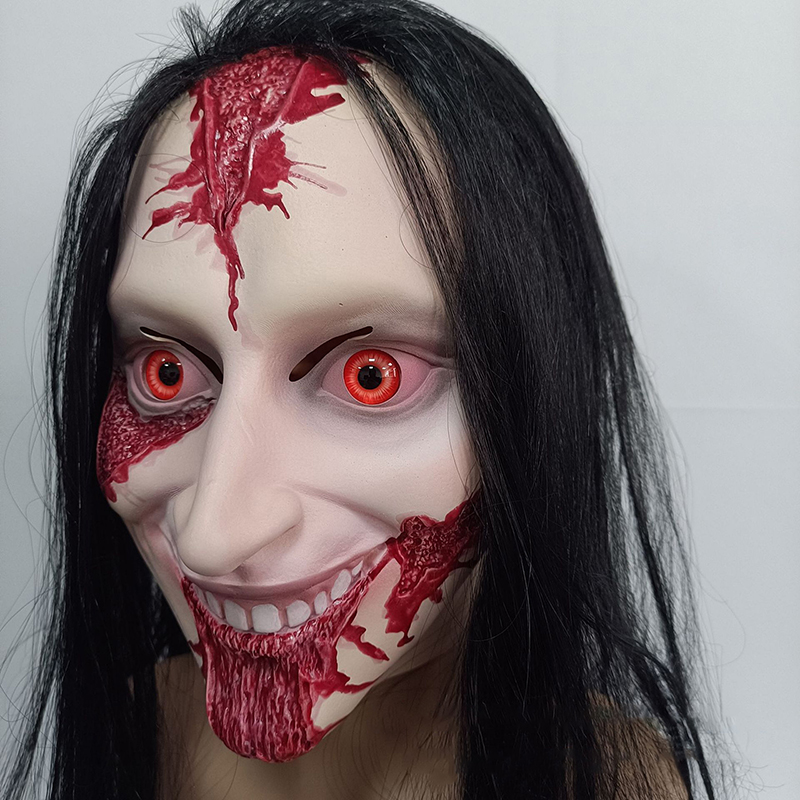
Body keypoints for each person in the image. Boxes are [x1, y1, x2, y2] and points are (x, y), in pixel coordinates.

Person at [1, 0, 727, 798]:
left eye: (369, 375)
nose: (212, 536)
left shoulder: (607, 781)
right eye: (166, 372)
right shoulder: (139, 734)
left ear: (531, 390)